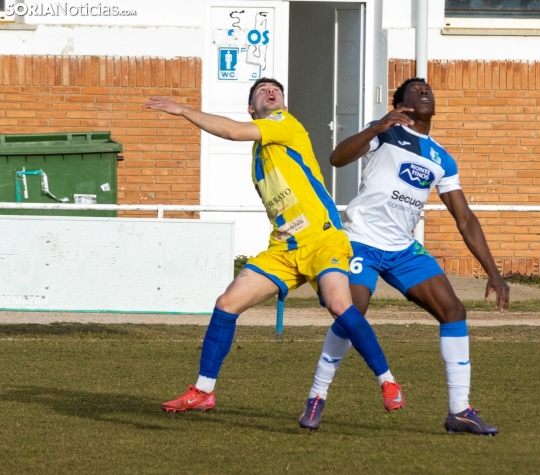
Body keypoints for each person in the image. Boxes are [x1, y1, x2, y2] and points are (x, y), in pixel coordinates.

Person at [145, 78, 404, 422]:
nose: (271, 91)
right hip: (284, 246)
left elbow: (232, 131)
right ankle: (204, 391)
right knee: (226, 304)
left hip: (321, 238)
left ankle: (387, 381)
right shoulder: (259, 155)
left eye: (276, 89)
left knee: (339, 305)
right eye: (261, 90)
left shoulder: (284, 123)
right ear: (251, 108)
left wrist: (181, 109)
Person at [301, 78, 510, 435]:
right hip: (361, 241)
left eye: (427, 88)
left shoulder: (441, 158)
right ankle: (317, 396)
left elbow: (465, 218)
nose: (424, 90)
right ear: (401, 103)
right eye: (415, 89)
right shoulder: (385, 132)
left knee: (453, 310)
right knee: (353, 310)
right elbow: (337, 158)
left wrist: (493, 271)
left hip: (402, 248)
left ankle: (460, 411)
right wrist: (376, 127)